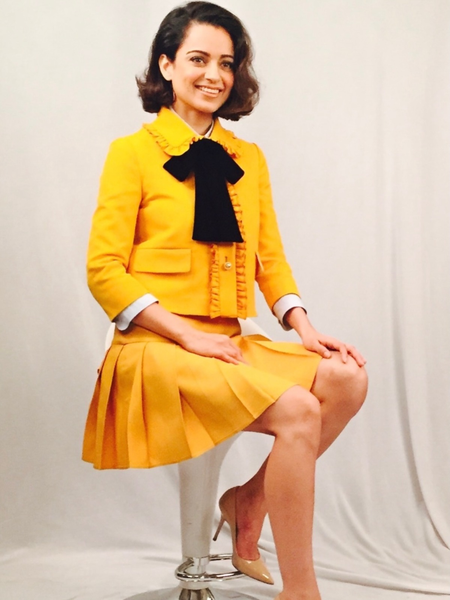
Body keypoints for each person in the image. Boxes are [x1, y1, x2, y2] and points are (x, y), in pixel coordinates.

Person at [82, 2, 368, 598]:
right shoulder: (130, 153)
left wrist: (303, 326)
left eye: (227, 63)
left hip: (227, 343)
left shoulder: (248, 159)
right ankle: (302, 590)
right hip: (156, 348)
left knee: (346, 379)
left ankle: (248, 501)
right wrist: (188, 334)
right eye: (198, 59)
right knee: (299, 410)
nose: (214, 75)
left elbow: (270, 258)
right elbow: (103, 272)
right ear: (166, 65)